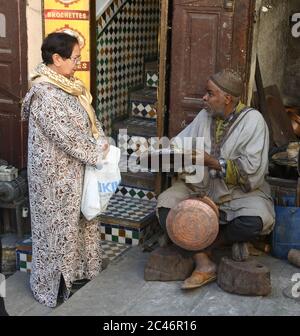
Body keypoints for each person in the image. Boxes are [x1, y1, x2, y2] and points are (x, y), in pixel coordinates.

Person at [157, 69, 275, 290]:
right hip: (199, 189)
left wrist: (212, 162)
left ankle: (199, 242)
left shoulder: (254, 122)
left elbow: (252, 172)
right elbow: (180, 142)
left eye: (209, 94)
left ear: (227, 98)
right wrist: (168, 152)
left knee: (256, 220)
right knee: (166, 207)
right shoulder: (205, 115)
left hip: (236, 194)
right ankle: (204, 261)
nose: (204, 98)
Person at [21, 32, 109, 307]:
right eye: (74, 58)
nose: (78, 64)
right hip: (54, 178)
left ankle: (79, 275)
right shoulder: (44, 93)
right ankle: (52, 287)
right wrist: (97, 152)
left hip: (76, 171)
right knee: (56, 232)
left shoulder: (69, 85)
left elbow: (87, 121)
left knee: (80, 224)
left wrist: (102, 140)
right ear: (56, 59)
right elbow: (65, 135)